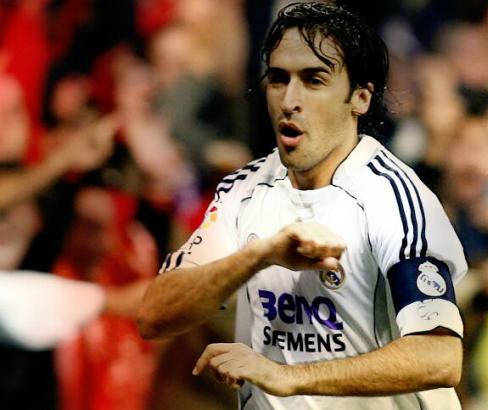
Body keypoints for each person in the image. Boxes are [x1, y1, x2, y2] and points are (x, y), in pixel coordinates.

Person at [138, 3, 467, 409]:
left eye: (314, 80)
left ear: (360, 97)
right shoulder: (244, 191)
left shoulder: (393, 198)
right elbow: (154, 315)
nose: (289, 100)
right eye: (278, 79)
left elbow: (440, 357)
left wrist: (289, 377)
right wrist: (259, 256)